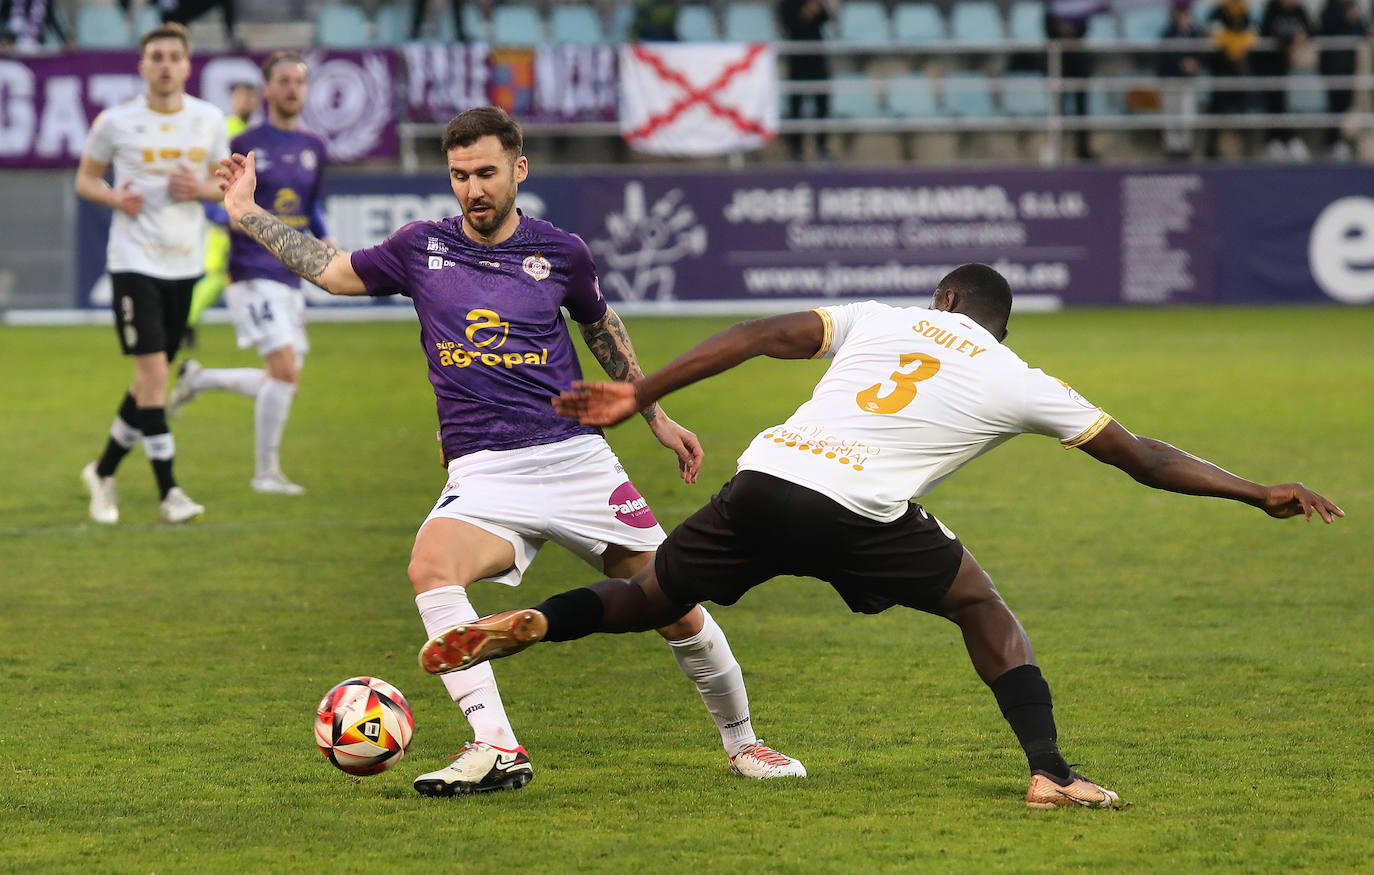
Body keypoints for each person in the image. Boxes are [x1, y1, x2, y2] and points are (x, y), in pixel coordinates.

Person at [419, 263, 1344, 809]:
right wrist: (1255, 489)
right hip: (858, 507)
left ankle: (540, 622)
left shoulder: (882, 318)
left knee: (658, 591)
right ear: (997, 322)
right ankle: (1050, 772)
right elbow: (1143, 457)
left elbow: (758, 332)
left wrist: (641, 392)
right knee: (981, 605)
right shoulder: (1020, 375)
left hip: (768, 475)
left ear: (940, 299)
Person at [215, 106, 805, 795]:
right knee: (431, 565)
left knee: (675, 604)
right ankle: (495, 743)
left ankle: (745, 743)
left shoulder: (562, 252)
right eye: (461, 175)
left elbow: (601, 326)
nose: (474, 188)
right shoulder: (420, 247)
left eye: (487, 172)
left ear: (518, 169)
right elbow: (335, 269)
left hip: (576, 462)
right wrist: (248, 213)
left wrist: (657, 415)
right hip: (484, 470)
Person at [76, 22, 227, 525]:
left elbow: (223, 185)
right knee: (155, 376)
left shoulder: (208, 119)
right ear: (142, 65)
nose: (165, 64)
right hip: (134, 261)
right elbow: (86, 179)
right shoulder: (116, 122)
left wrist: (201, 189)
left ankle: (102, 470)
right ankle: (170, 493)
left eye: (173, 56)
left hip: (184, 261)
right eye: (156, 56)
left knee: (150, 382)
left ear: (187, 65)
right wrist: (116, 197)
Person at [169, 55, 326, 495]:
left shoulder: (316, 146)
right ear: (267, 90)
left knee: (283, 381)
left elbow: (312, 208)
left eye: (299, 81)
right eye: (284, 81)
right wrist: (226, 219)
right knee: (285, 371)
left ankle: (199, 378)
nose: (292, 88)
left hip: (293, 271)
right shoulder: (245, 143)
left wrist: (327, 242)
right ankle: (265, 473)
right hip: (251, 270)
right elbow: (213, 198)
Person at [184, 80, 259, 350]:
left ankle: (256, 329)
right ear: (233, 100)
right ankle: (185, 321)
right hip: (225, 216)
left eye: (251, 97)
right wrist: (217, 214)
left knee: (246, 273)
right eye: (242, 96)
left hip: (247, 216)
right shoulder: (225, 131)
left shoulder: (254, 134)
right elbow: (208, 174)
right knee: (217, 275)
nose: (247, 102)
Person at [1045, 0, 1104, 162]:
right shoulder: (1052, 5)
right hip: (1058, 61)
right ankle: (1056, 149)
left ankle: (1083, 150)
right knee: (1058, 109)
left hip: (1078, 60)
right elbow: (1047, 27)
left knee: (1082, 110)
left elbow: (1085, 26)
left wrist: (1073, 29)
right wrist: (1060, 30)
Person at [1257, 0, 1316, 160]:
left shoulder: (1299, 10)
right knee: (1275, 101)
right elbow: (1267, 33)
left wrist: (1301, 38)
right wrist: (1290, 41)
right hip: (1269, 64)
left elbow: (1312, 30)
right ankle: (1277, 140)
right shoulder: (1271, 9)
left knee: (1284, 102)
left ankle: (1286, 139)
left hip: (1291, 67)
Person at [777, 0, 832, 162]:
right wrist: (807, 11)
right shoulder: (787, 4)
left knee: (822, 105)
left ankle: (821, 148)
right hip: (797, 60)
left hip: (817, 59)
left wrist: (816, 8)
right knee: (796, 106)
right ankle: (796, 150)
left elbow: (826, 18)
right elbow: (789, 24)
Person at [1204, 0, 1259, 159]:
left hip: (1240, 74)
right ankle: (1212, 150)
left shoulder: (1245, 13)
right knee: (1217, 111)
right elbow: (1214, 34)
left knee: (1241, 111)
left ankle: (1242, 150)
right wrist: (1234, 46)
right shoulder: (1218, 12)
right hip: (1220, 70)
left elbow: (1253, 33)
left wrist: (1238, 46)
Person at [1319, 0, 1369, 160]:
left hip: (1349, 67)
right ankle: (1332, 142)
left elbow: (1362, 30)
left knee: (1346, 105)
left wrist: (1354, 18)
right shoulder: (1329, 9)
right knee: (1333, 105)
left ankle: (1341, 141)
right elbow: (1324, 28)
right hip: (1332, 66)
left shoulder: (1354, 8)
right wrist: (1345, 17)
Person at [1158, 2, 1207, 160]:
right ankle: (1172, 148)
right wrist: (1181, 64)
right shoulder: (1168, 32)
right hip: (1171, 79)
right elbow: (1165, 56)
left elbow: (1202, 55)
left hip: (1187, 81)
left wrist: (1195, 64)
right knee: (1171, 115)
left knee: (1187, 114)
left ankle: (1185, 148)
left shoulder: (1195, 33)